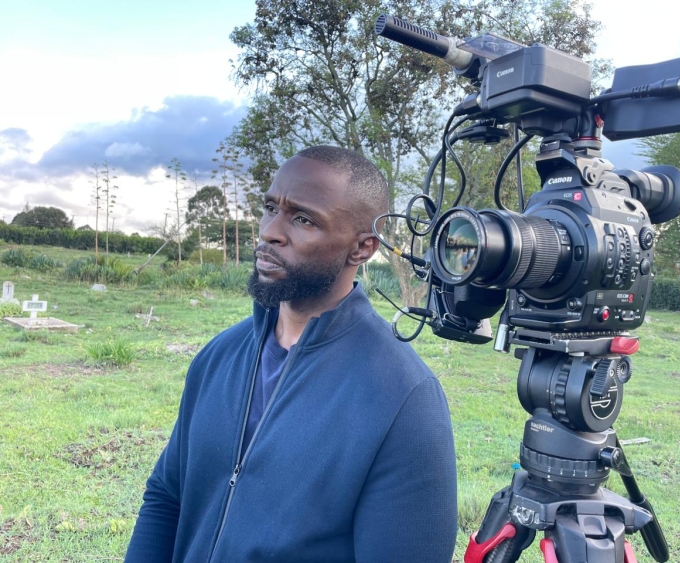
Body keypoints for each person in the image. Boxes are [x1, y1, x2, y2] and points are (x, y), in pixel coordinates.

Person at [125, 145, 458, 562]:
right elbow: (165, 497)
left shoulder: (404, 396)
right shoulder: (218, 357)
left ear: (362, 248)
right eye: (269, 208)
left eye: (303, 219)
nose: (270, 231)